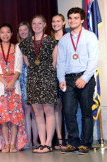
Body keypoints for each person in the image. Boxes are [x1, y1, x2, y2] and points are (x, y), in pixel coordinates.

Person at [57, 7, 98, 154]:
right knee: (68, 112)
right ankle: (73, 142)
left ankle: (86, 143)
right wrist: (61, 79)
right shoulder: (64, 40)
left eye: (75, 18)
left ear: (81, 20)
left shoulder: (90, 36)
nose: (72, 20)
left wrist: (84, 78)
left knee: (86, 112)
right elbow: (60, 62)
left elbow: (93, 61)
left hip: (85, 79)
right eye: (70, 18)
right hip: (68, 80)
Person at [19, 15, 58, 153]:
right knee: (38, 113)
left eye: (39, 23)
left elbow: (54, 62)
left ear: (44, 24)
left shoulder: (51, 41)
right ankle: (42, 143)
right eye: (34, 23)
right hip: (33, 79)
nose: (36, 26)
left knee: (49, 111)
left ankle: (48, 143)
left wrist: (46, 73)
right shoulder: (26, 43)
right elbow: (27, 62)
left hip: (47, 79)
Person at [0, 24, 27, 152]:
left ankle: (13, 144)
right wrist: (5, 82)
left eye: (8, 32)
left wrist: (11, 82)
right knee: (3, 118)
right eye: (2, 32)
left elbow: (18, 67)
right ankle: (6, 143)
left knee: (14, 117)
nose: (5, 35)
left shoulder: (17, 48)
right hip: (0, 87)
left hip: (14, 86)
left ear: (11, 34)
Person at [17, 22, 39, 148]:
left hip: (34, 78)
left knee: (36, 112)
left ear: (29, 31)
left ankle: (35, 140)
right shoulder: (17, 46)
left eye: (25, 30)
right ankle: (28, 140)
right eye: (21, 30)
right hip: (21, 81)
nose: (23, 32)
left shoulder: (35, 43)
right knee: (26, 111)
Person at [51, 14, 67, 150]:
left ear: (63, 23)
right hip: (53, 77)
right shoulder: (49, 40)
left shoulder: (68, 38)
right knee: (56, 107)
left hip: (67, 76)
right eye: (53, 21)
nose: (55, 23)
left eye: (58, 21)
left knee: (68, 107)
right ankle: (59, 137)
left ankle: (69, 137)